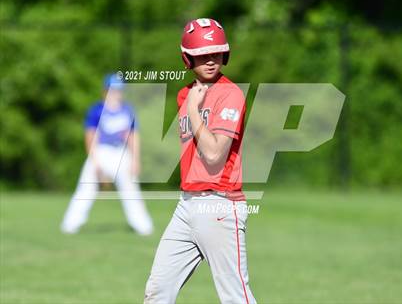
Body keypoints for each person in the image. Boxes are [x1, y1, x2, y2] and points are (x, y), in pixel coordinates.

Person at [144, 18, 256, 303]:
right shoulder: (186, 93)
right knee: (158, 291)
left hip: (219, 204)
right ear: (187, 58)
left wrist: (193, 110)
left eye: (216, 53)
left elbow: (215, 154)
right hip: (186, 206)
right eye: (202, 55)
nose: (210, 60)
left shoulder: (229, 94)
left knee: (235, 297)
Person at [60, 74, 154, 236]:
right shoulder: (96, 110)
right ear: (105, 91)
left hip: (121, 154)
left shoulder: (127, 110)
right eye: (113, 90)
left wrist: (135, 160)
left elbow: (132, 136)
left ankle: (143, 227)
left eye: (119, 90)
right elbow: (90, 136)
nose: (116, 93)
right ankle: (70, 225)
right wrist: (95, 162)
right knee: (85, 188)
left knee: (130, 190)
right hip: (101, 152)